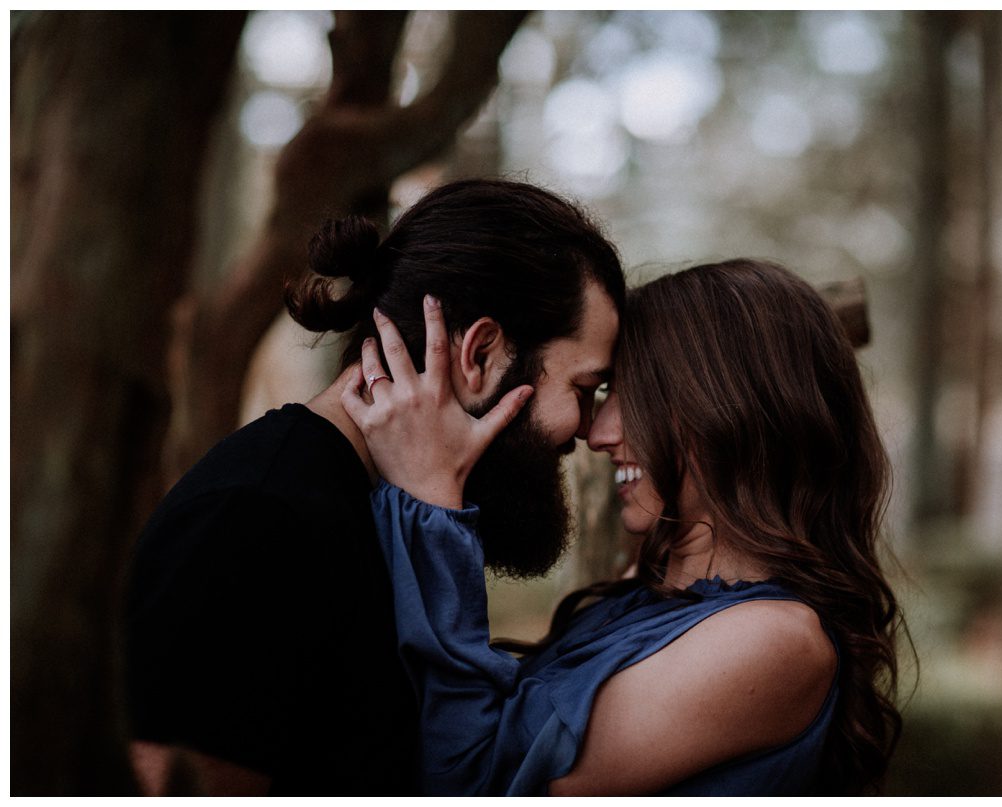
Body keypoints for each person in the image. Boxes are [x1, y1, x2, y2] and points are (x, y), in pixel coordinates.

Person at [122, 178, 625, 795]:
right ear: (481, 353)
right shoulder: (255, 520)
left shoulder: (392, 511)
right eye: (581, 390)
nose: (588, 430)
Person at [345, 258, 907, 796]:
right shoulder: (658, 592)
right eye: (603, 393)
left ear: (730, 407)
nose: (599, 432)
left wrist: (432, 498)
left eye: (634, 396)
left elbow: (477, 782)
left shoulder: (775, 641)